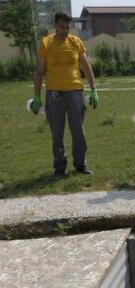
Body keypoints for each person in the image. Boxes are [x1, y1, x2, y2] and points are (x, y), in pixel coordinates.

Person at [30, 11, 98, 177]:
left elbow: (86, 67)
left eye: (68, 27)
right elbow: (39, 72)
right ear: (55, 25)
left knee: (78, 131)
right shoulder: (46, 43)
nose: (65, 30)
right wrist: (37, 96)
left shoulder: (75, 42)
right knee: (57, 132)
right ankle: (59, 167)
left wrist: (94, 89)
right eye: (62, 27)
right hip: (54, 93)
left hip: (75, 91)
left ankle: (81, 164)